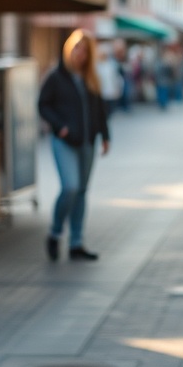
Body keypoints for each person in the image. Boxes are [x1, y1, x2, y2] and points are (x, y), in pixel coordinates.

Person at [38, 29, 110, 262]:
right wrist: (60, 126)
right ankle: (55, 232)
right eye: (77, 48)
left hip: (88, 141)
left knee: (81, 192)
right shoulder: (56, 76)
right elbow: (43, 105)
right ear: (69, 48)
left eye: (85, 50)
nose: (80, 54)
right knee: (70, 187)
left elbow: (99, 110)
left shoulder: (91, 78)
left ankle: (76, 242)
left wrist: (106, 135)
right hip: (65, 141)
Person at [95, 46, 124, 117]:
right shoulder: (97, 65)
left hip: (110, 92)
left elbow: (116, 78)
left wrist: (117, 88)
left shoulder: (111, 65)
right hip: (102, 92)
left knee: (110, 110)